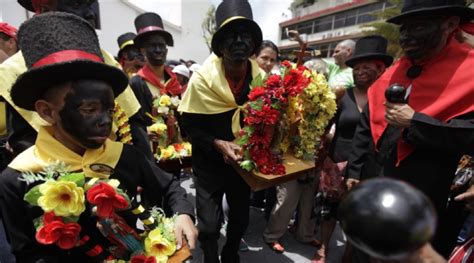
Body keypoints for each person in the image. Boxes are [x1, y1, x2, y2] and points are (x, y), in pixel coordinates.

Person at [0, 12, 197, 262]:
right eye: (89, 110)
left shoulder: (121, 155)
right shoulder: (17, 180)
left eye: (109, 109)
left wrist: (183, 214)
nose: (105, 120)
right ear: (47, 111)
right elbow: (26, 253)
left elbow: (169, 186)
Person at [345, 0, 474, 257]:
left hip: (426, 189)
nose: (405, 37)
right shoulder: (392, 73)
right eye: (404, 28)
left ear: (449, 24)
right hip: (375, 181)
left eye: (418, 27)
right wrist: (355, 170)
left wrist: (415, 122)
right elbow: (366, 126)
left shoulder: (469, 71)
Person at [0, 0, 147, 158]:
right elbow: (24, 143)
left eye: (91, 4)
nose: (91, 13)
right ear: (44, 9)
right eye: (77, 4)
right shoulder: (14, 70)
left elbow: (135, 124)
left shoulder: (106, 58)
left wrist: (145, 175)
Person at [178, 0, 263, 262]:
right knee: (209, 226)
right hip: (208, 164)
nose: (238, 41)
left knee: (239, 221)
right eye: (230, 35)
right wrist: (218, 143)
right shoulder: (202, 79)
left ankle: (229, 255)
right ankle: (211, 257)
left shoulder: (261, 79)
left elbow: (263, 122)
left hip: (242, 165)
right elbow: (188, 126)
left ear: (253, 44)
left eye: (245, 35)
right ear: (220, 44)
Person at [312, 35, 393, 263]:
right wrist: (320, 150)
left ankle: (350, 251)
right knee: (329, 209)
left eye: (365, 67)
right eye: (356, 67)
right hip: (336, 161)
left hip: (368, 167)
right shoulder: (342, 96)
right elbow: (325, 125)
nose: (359, 72)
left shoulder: (386, 99)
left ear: (380, 69)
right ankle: (324, 248)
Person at [129, 12, 183, 159]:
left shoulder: (173, 80)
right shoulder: (136, 83)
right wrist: (144, 131)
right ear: (143, 50)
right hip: (151, 154)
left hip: (176, 151)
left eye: (162, 45)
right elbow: (131, 121)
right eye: (153, 46)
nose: (158, 50)